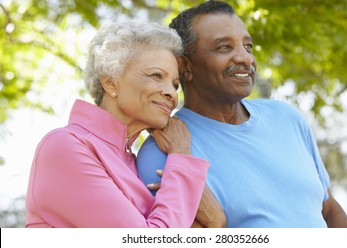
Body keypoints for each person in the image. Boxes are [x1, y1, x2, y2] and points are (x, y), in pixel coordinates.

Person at [136, 0, 347, 228]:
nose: (245, 58)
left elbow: (329, 209)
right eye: (224, 47)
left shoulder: (288, 118)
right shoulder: (162, 152)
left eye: (247, 47)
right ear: (185, 67)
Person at [25, 19, 213, 228]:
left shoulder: (133, 160)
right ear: (111, 81)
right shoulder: (64, 146)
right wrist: (181, 155)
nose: (172, 94)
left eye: (175, 84)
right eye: (157, 75)